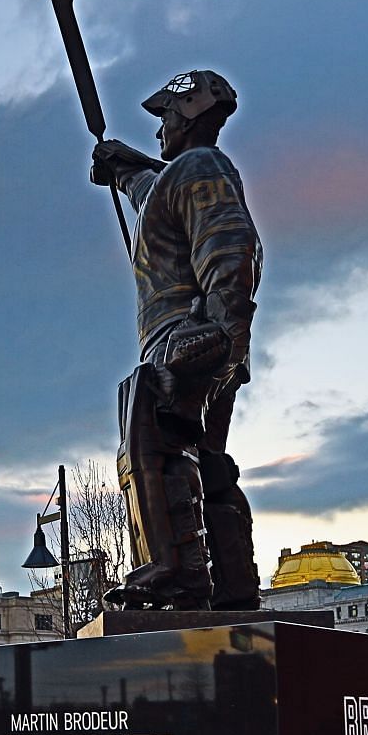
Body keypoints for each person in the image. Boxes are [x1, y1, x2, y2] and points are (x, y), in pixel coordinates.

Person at [89, 69, 261, 611]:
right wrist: (124, 169)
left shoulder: (199, 166)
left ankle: (173, 572)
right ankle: (232, 587)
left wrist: (216, 338)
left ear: (187, 115)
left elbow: (231, 248)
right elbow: (153, 193)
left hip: (188, 334)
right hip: (204, 337)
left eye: (165, 116)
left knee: (150, 444)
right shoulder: (182, 175)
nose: (159, 128)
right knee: (208, 460)